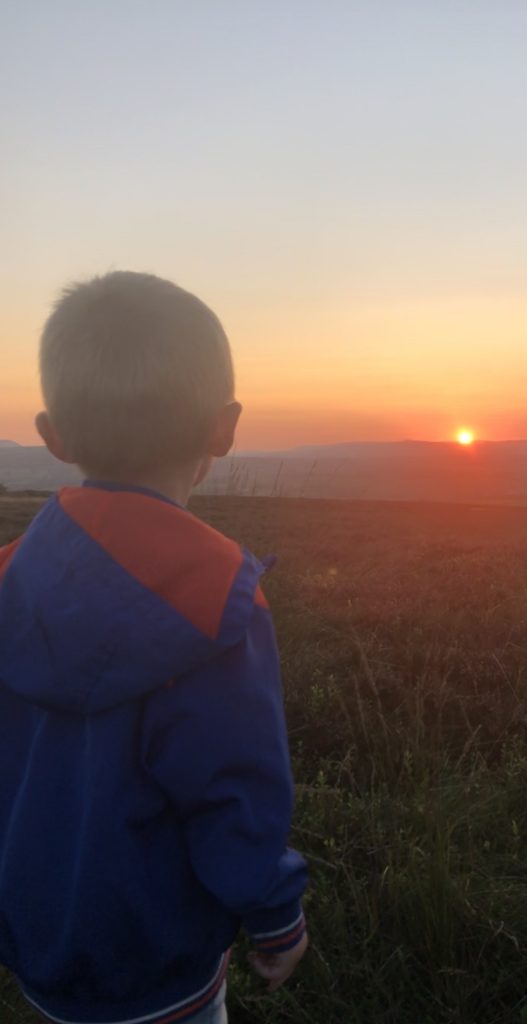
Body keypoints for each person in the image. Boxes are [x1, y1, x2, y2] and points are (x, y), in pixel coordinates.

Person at [0, 271, 308, 1024]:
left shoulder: (9, 578)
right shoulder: (217, 601)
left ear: (53, 435)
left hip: (39, 946)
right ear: (224, 429)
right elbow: (234, 785)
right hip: (160, 964)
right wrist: (276, 914)